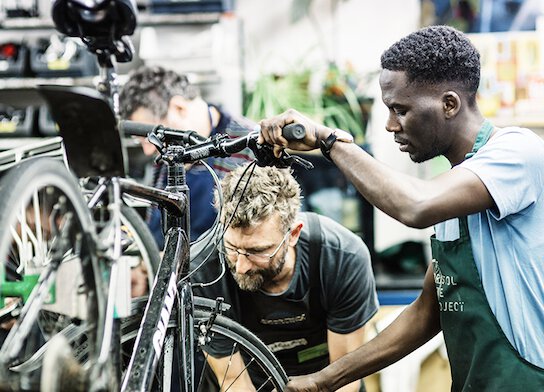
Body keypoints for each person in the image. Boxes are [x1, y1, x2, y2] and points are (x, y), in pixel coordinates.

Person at [259, 25, 544, 391]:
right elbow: (426, 312)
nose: (391, 125)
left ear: (449, 104)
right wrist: (323, 380)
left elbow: (415, 205)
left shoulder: (516, 152)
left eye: (401, 110)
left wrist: (330, 141)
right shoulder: (455, 190)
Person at [190, 164, 378, 391]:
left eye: (257, 251)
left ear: (293, 234)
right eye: (231, 246)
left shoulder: (341, 257)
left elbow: (344, 378)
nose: (240, 266)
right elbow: (234, 382)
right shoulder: (202, 270)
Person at [119, 66, 254, 247]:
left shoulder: (248, 147)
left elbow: (250, 245)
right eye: (141, 141)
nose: (148, 151)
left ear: (179, 108)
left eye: (150, 138)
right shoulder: (168, 148)